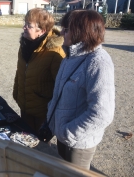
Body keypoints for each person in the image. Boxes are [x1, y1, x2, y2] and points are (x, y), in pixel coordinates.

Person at [47, 10, 115, 169]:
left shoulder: (98, 62)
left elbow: (102, 114)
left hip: (78, 144)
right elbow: (58, 95)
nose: (62, 33)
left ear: (81, 33)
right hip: (63, 138)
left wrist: (67, 133)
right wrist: (53, 124)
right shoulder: (69, 56)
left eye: (66, 29)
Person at [12, 8, 65, 135]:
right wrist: (17, 93)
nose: (24, 27)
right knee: (24, 139)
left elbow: (60, 87)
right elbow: (20, 71)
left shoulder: (55, 52)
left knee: (38, 146)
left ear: (42, 30)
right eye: (25, 23)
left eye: (29, 25)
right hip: (24, 105)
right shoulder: (24, 45)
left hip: (42, 112)